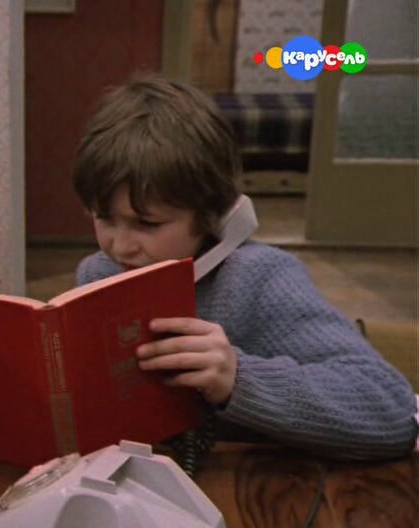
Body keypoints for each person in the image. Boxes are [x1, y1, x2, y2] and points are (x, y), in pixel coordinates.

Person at [72, 73, 417, 460]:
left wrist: (238, 378)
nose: (119, 246)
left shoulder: (261, 279)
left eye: (147, 223)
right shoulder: (98, 274)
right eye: (104, 217)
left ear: (212, 215)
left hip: (261, 484)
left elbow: (391, 411)